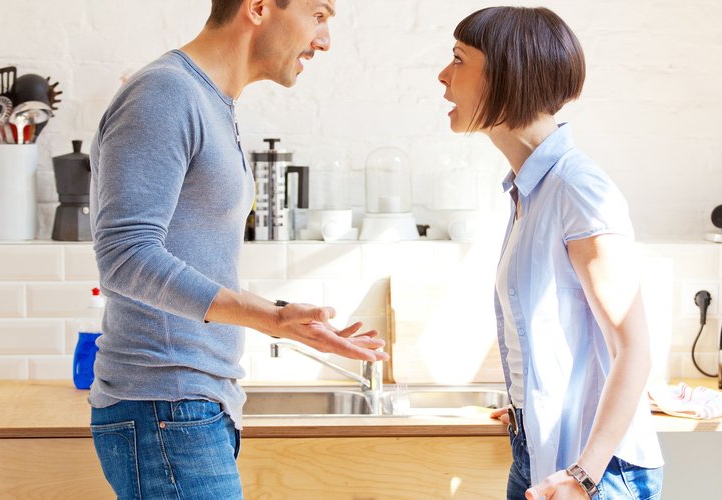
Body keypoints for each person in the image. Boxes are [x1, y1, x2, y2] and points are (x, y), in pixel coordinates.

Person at [88, 1, 387, 498]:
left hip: (186, 406)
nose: (325, 40)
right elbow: (125, 256)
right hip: (166, 403)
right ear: (260, 7)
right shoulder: (165, 93)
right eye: (318, 15)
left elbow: (191, 254)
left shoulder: (209, 100)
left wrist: (282, 320)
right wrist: (270, 317)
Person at [438, 7, 664, 500]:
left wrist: (584, 475)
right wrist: (526, 406)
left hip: (594, 473)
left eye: (458, 59)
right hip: (541, 454)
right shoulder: (531, 191)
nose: (443, 75)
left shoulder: (578, 190)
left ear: (506, 75)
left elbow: (634, 349)